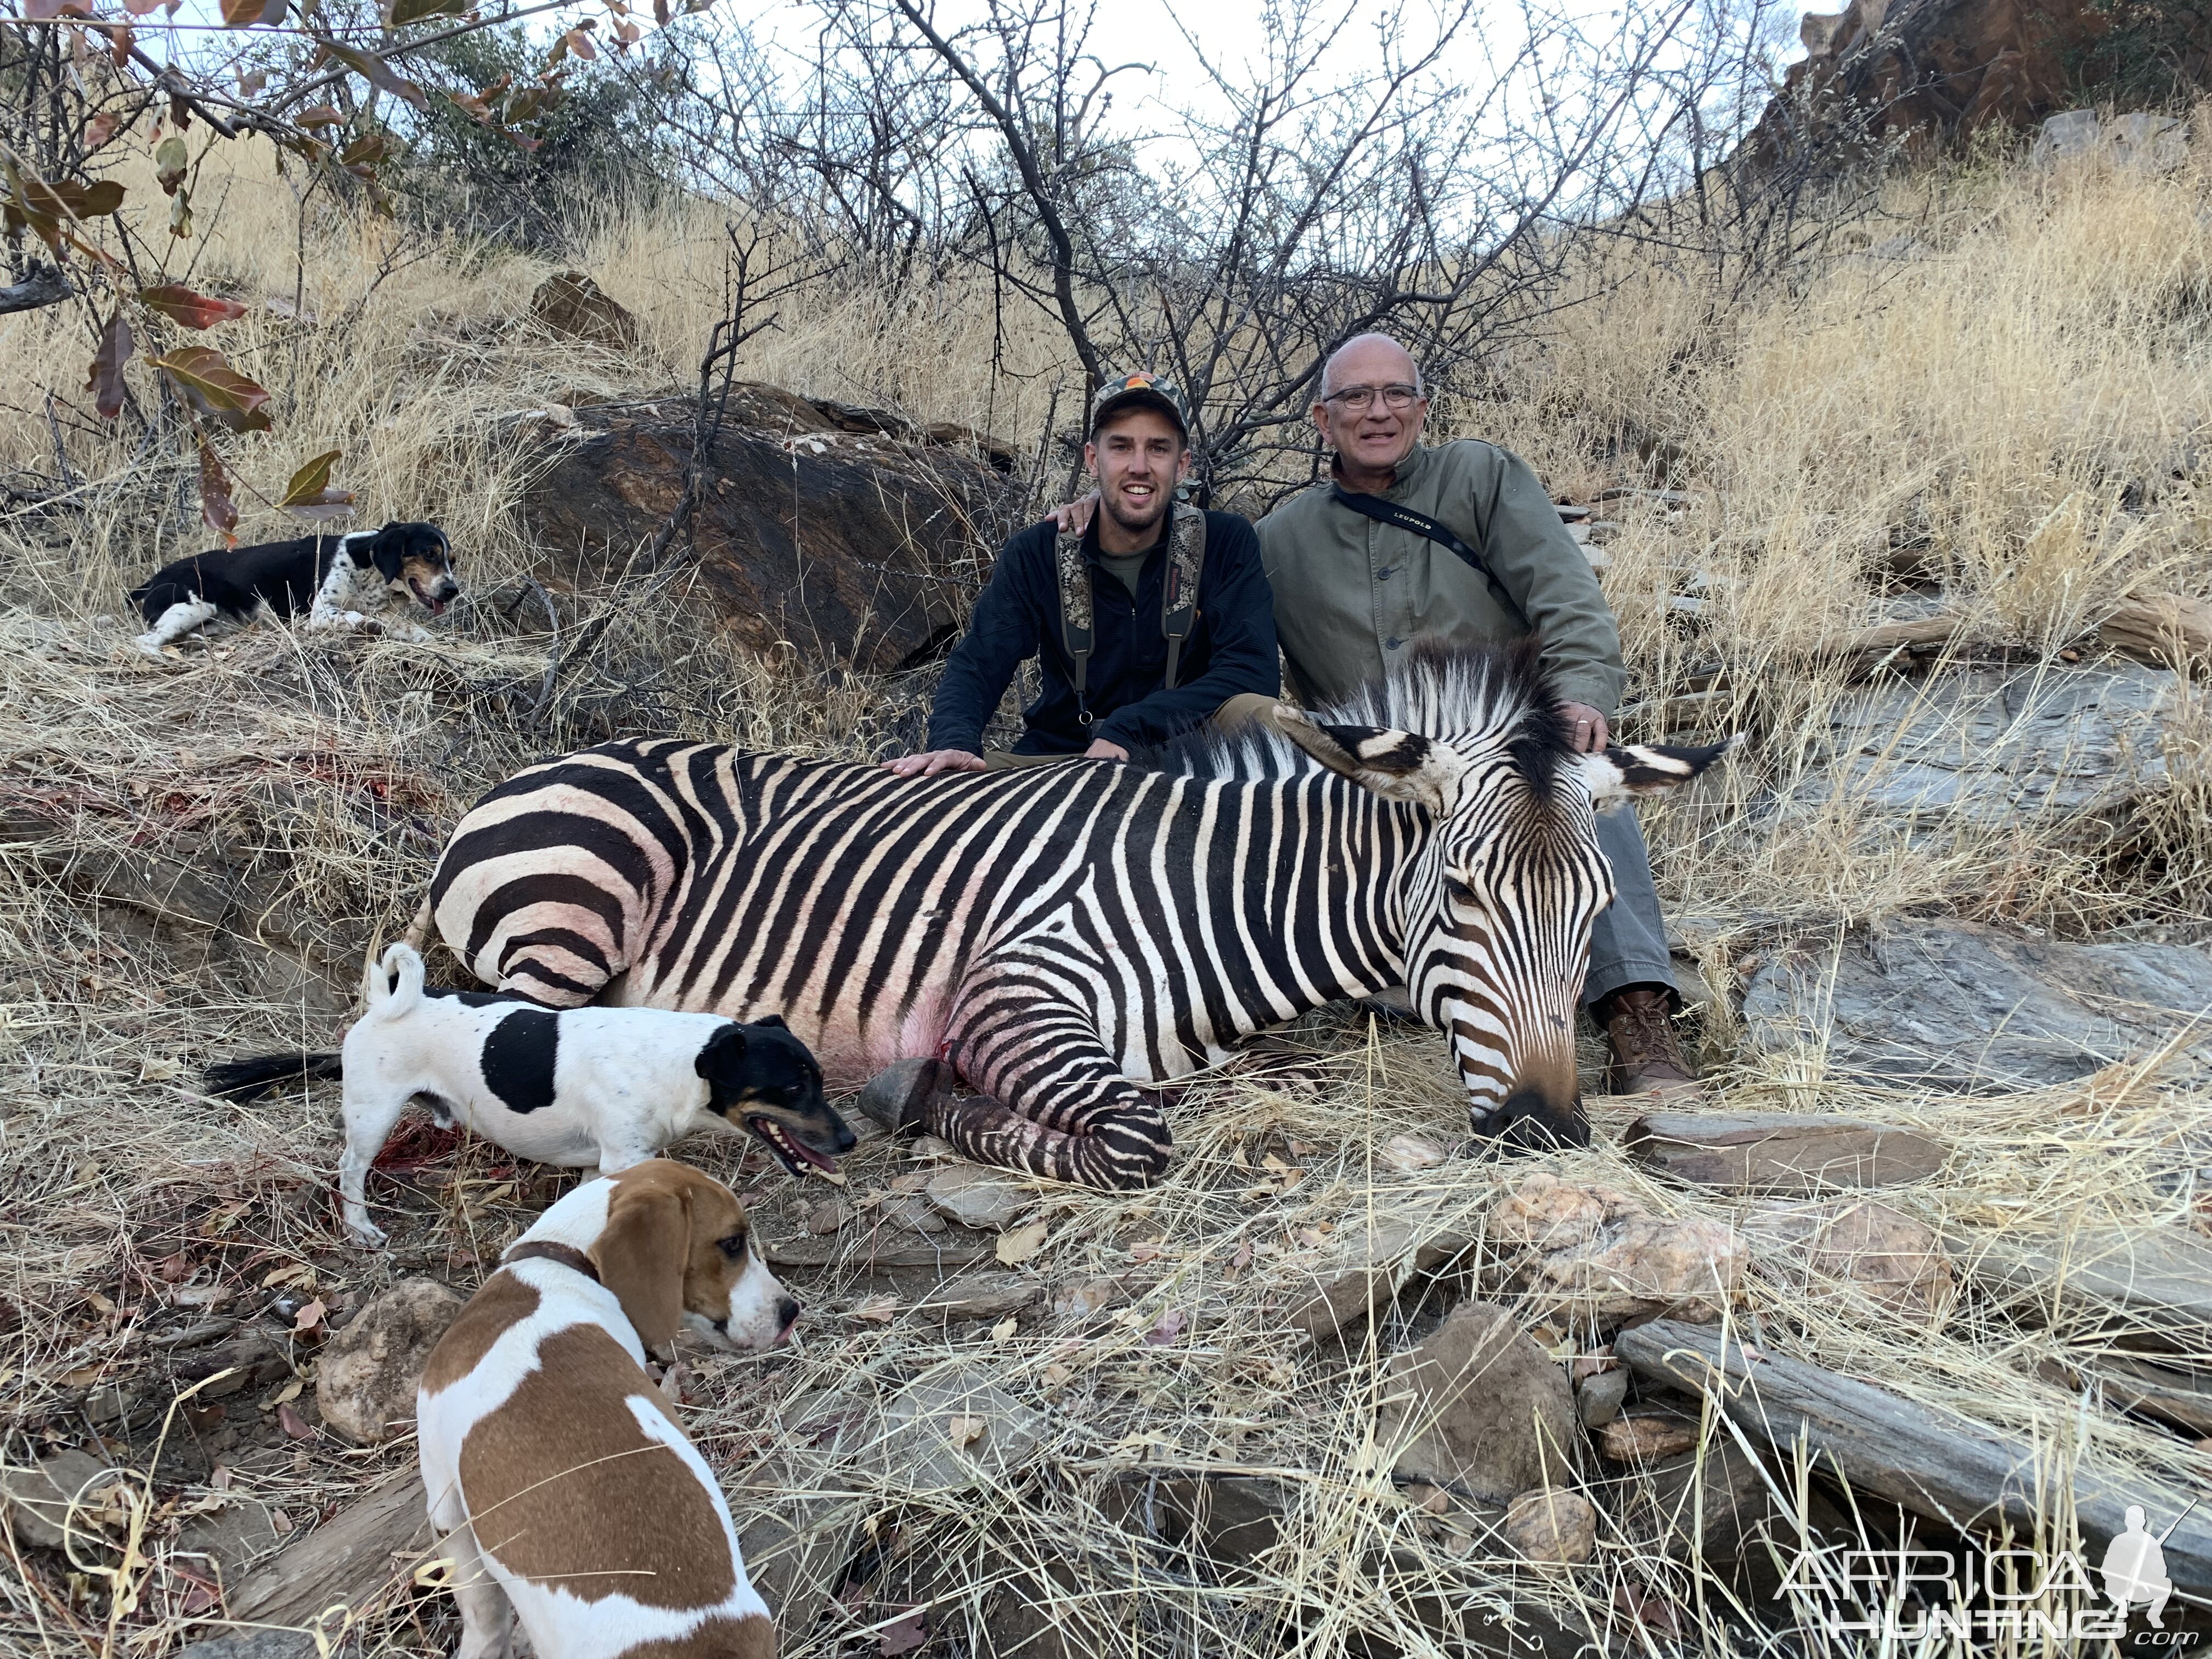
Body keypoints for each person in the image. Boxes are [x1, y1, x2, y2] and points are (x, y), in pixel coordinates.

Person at [1053, 335, 1700, 1099]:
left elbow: (1568, 599)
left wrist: (1582, 693)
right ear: (1322, 421)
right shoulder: (1278, 537)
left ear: (1422, 407)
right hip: (1378, 778)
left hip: (1501, 757)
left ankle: (1634, 1012)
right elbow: (1202, 626)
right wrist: (1103, 528)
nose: (1378, 411)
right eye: (1355, 398)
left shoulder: (1482, 477)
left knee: (1571, 783)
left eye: (1396, 393)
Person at [885, 374, 1279, 775]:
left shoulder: (1224, 541)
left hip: (1186, 753)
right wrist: (954, 741)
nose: (1139, 467)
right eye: (1121, 447)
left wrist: (1131, 727)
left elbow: (1251, 672)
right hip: (1063, 758)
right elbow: (981, 661)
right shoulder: (1037, 551)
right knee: (958, 783)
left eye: (1157, 449)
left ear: (1181, 465)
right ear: (1093, 459)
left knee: (1264, 716)